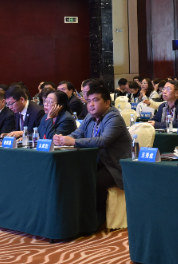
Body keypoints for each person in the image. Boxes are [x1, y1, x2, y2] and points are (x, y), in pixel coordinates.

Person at [55, 84, 131, 216]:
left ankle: (98, 217)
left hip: (114, 165)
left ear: (107, 103)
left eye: (95, 100)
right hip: (96, 162)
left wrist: (73, 142)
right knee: (75, 176)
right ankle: (77, 214)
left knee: (96, 182)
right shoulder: (89, 117)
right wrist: (63, 139)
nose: (91, 105)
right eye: (89, 101)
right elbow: (77, 134)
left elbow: (103, 141)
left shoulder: (114, 118)